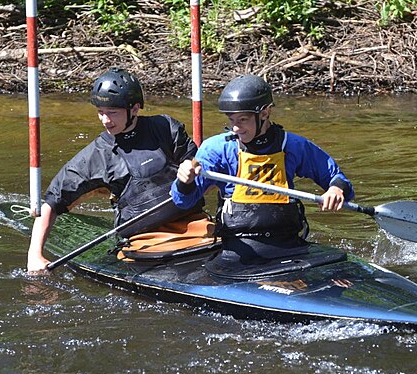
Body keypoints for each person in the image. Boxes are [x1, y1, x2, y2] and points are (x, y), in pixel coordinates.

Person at [27, 68, 202, 272]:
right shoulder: (97, 155)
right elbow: (52, 202)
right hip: (144, 243)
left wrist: (192, 169)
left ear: (135, 109)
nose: (105, 120)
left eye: (112, 113)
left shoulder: (165, 128)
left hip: (195, 226)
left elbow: (200, 166)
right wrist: (35, 255)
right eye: (100, 112)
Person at [171, 74, 354, 265]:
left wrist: (336, 190)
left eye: (243, 119)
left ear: (265, 113)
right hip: (238, 249)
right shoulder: (217, 149)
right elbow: (183, 201)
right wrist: (185, 181)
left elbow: (337, 178)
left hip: (290, 245)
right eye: (231, 119)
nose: (235, 128)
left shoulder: (292, 145)